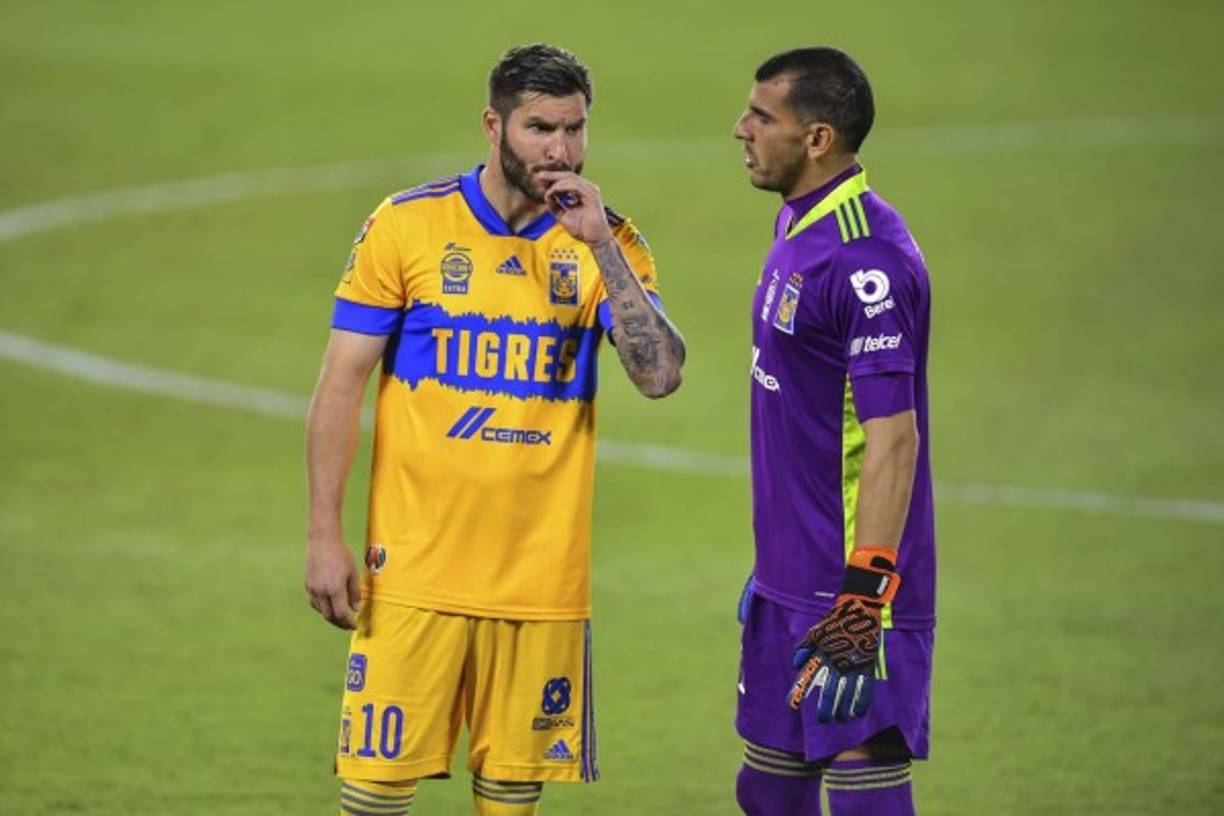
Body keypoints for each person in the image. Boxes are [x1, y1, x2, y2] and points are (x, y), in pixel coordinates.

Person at [304, 43, 684, 816]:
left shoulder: (606, 241)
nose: (560, 150)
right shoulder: (408, 226)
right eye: (540, 128)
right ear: (494, 125)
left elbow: (660, 376)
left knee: (512, 798)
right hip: (412, 572)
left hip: (541, 582)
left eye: (575, 130)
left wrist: (601, 247)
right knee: (374, 797)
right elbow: (340, 383)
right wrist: (323, 534)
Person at [731, 47, 935, 816]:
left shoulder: (865, 261)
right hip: (788, 571)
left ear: (817, 139)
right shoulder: (798, 222)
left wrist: (863, 596)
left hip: (851, 588)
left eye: (761, 116)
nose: (739, 129)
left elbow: (893, 438)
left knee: (864, 795)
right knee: (769, 790)